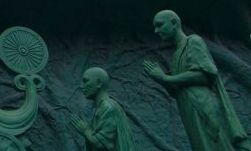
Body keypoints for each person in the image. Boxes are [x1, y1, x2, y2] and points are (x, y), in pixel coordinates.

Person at [142, 10, 251, 151]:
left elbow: (205, 74)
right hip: (190, 111)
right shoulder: (176, 55)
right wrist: (161, 80)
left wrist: (166, 78)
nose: (156, 31)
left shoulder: (193, 41)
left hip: (203, 107)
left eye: (160, 25)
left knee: (216, 145)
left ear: (174, 23)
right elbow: (178, 89)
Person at [68, 67, 137, 151]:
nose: (82, 86)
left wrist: (86, 130)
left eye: (86, 81)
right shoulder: (102, 107)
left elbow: (104, 144)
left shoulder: (108, 108)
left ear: (98, 83)